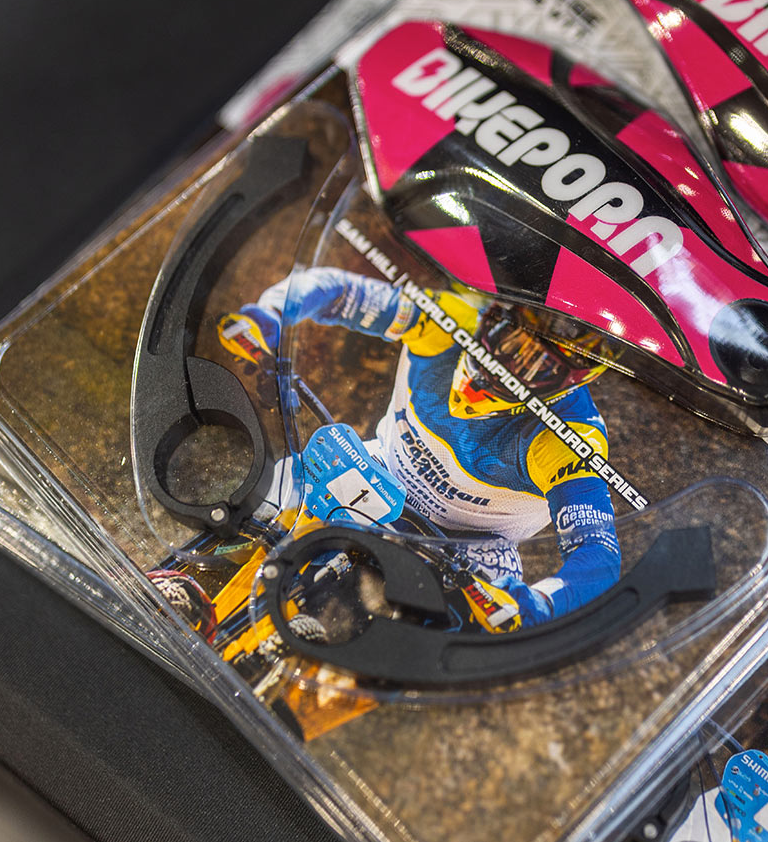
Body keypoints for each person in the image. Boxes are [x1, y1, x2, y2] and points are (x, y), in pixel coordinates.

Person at [219, 266, 621, 631]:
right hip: (376, 470)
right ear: (496, 313)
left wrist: (539, 603)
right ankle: (206, 568)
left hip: (469, 547)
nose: (507, 365)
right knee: (263, 498)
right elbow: (338, 289)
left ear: (571, 383)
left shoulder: (571, 437)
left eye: (538, 367)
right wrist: (272, 313)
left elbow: (599, 556)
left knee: (479, 629)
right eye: (509, 338)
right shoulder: (451, 319)